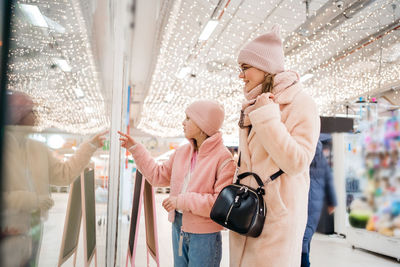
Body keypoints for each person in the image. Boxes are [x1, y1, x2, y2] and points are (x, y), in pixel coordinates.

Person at [229, 25, 320, 267]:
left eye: (245, 68)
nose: (241, 76)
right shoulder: (252, 105)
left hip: (275, 222)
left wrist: (268, 117)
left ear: (265, 67)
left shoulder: (300, 103)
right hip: (244, 216)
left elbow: (298, 161)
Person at [118, 100, 236, 267]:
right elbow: (157, 176)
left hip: (205, 235)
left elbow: (219, 204)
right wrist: (136, 149)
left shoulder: (223, 158)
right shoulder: (182, 152)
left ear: (203, 125)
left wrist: (181, 201)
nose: (183, 122)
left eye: (188, 118)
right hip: (178, 227)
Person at [0, 90, 107, 267]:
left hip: (33, 229)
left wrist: (90, 146)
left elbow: (64, 174)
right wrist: (32, 200)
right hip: (7, 229)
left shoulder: (37, 149)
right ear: (16, 114)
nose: (35, 116)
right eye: (30, 111)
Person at [301, 139, 337, 267]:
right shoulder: (320, 158)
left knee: (302, 240)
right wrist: (332, 201)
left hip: (306, 200)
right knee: (306, 238)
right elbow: (328, 178)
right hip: (314, 201)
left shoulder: (305, 155)